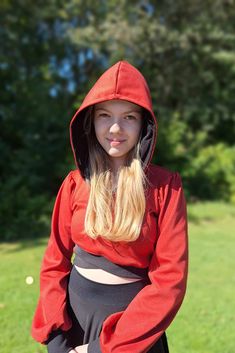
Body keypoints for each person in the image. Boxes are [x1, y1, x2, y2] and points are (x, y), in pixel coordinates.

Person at [31, 60, 188, 353]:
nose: (115, 128)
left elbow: (169, 282)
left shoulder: (167, 188)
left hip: (130, 333)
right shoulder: (75, 184)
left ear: (144, 124)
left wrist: (101, 349)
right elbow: (54, 264)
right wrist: (55, 336)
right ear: (90, 120)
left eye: (129, 116)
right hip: (73, 323)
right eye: (105, 115)